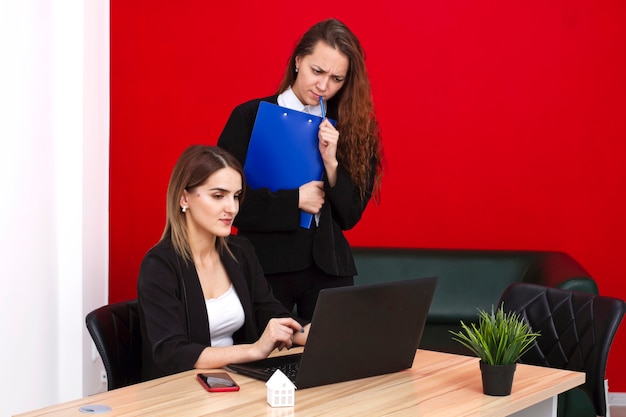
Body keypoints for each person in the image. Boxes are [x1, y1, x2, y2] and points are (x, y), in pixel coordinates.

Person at [217, 18, 383, 320]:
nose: (323, 86)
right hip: (264, 268)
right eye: (316, 71)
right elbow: (226, 204)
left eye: (337, 79)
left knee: (336, 363)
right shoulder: (248, 117)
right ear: (298, 61)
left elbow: (350, 215)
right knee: (264, 364)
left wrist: (332, 162)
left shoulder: (353, 130)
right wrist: (294, 201)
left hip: (329, 269)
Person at [137, 145, 310, 381]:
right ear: (184, 197)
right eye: (218, 196)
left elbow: (267, 309)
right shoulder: (159, 265)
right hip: (180, 390)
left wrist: (307, 333)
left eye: (236, 196)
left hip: (233, 382)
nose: (232, 208)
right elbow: (172, 352)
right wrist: (254, 350)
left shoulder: (240, 251)